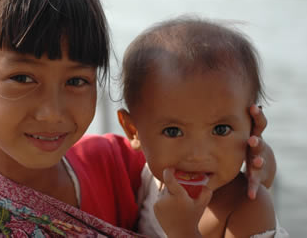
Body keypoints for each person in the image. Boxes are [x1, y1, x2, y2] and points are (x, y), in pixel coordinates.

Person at [0, 0, 275, 237]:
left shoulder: (117, 164)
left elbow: (225, 192)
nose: (52, 112)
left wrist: (251, 154)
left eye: (77, 81)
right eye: (23, 77)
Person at [117, 17, 288, 237]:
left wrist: (184, 232)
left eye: (221, 129)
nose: (198, 154)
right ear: (134, 131)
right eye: (173, 131)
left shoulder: (248, 206)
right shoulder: (151, 178)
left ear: (252, 127)